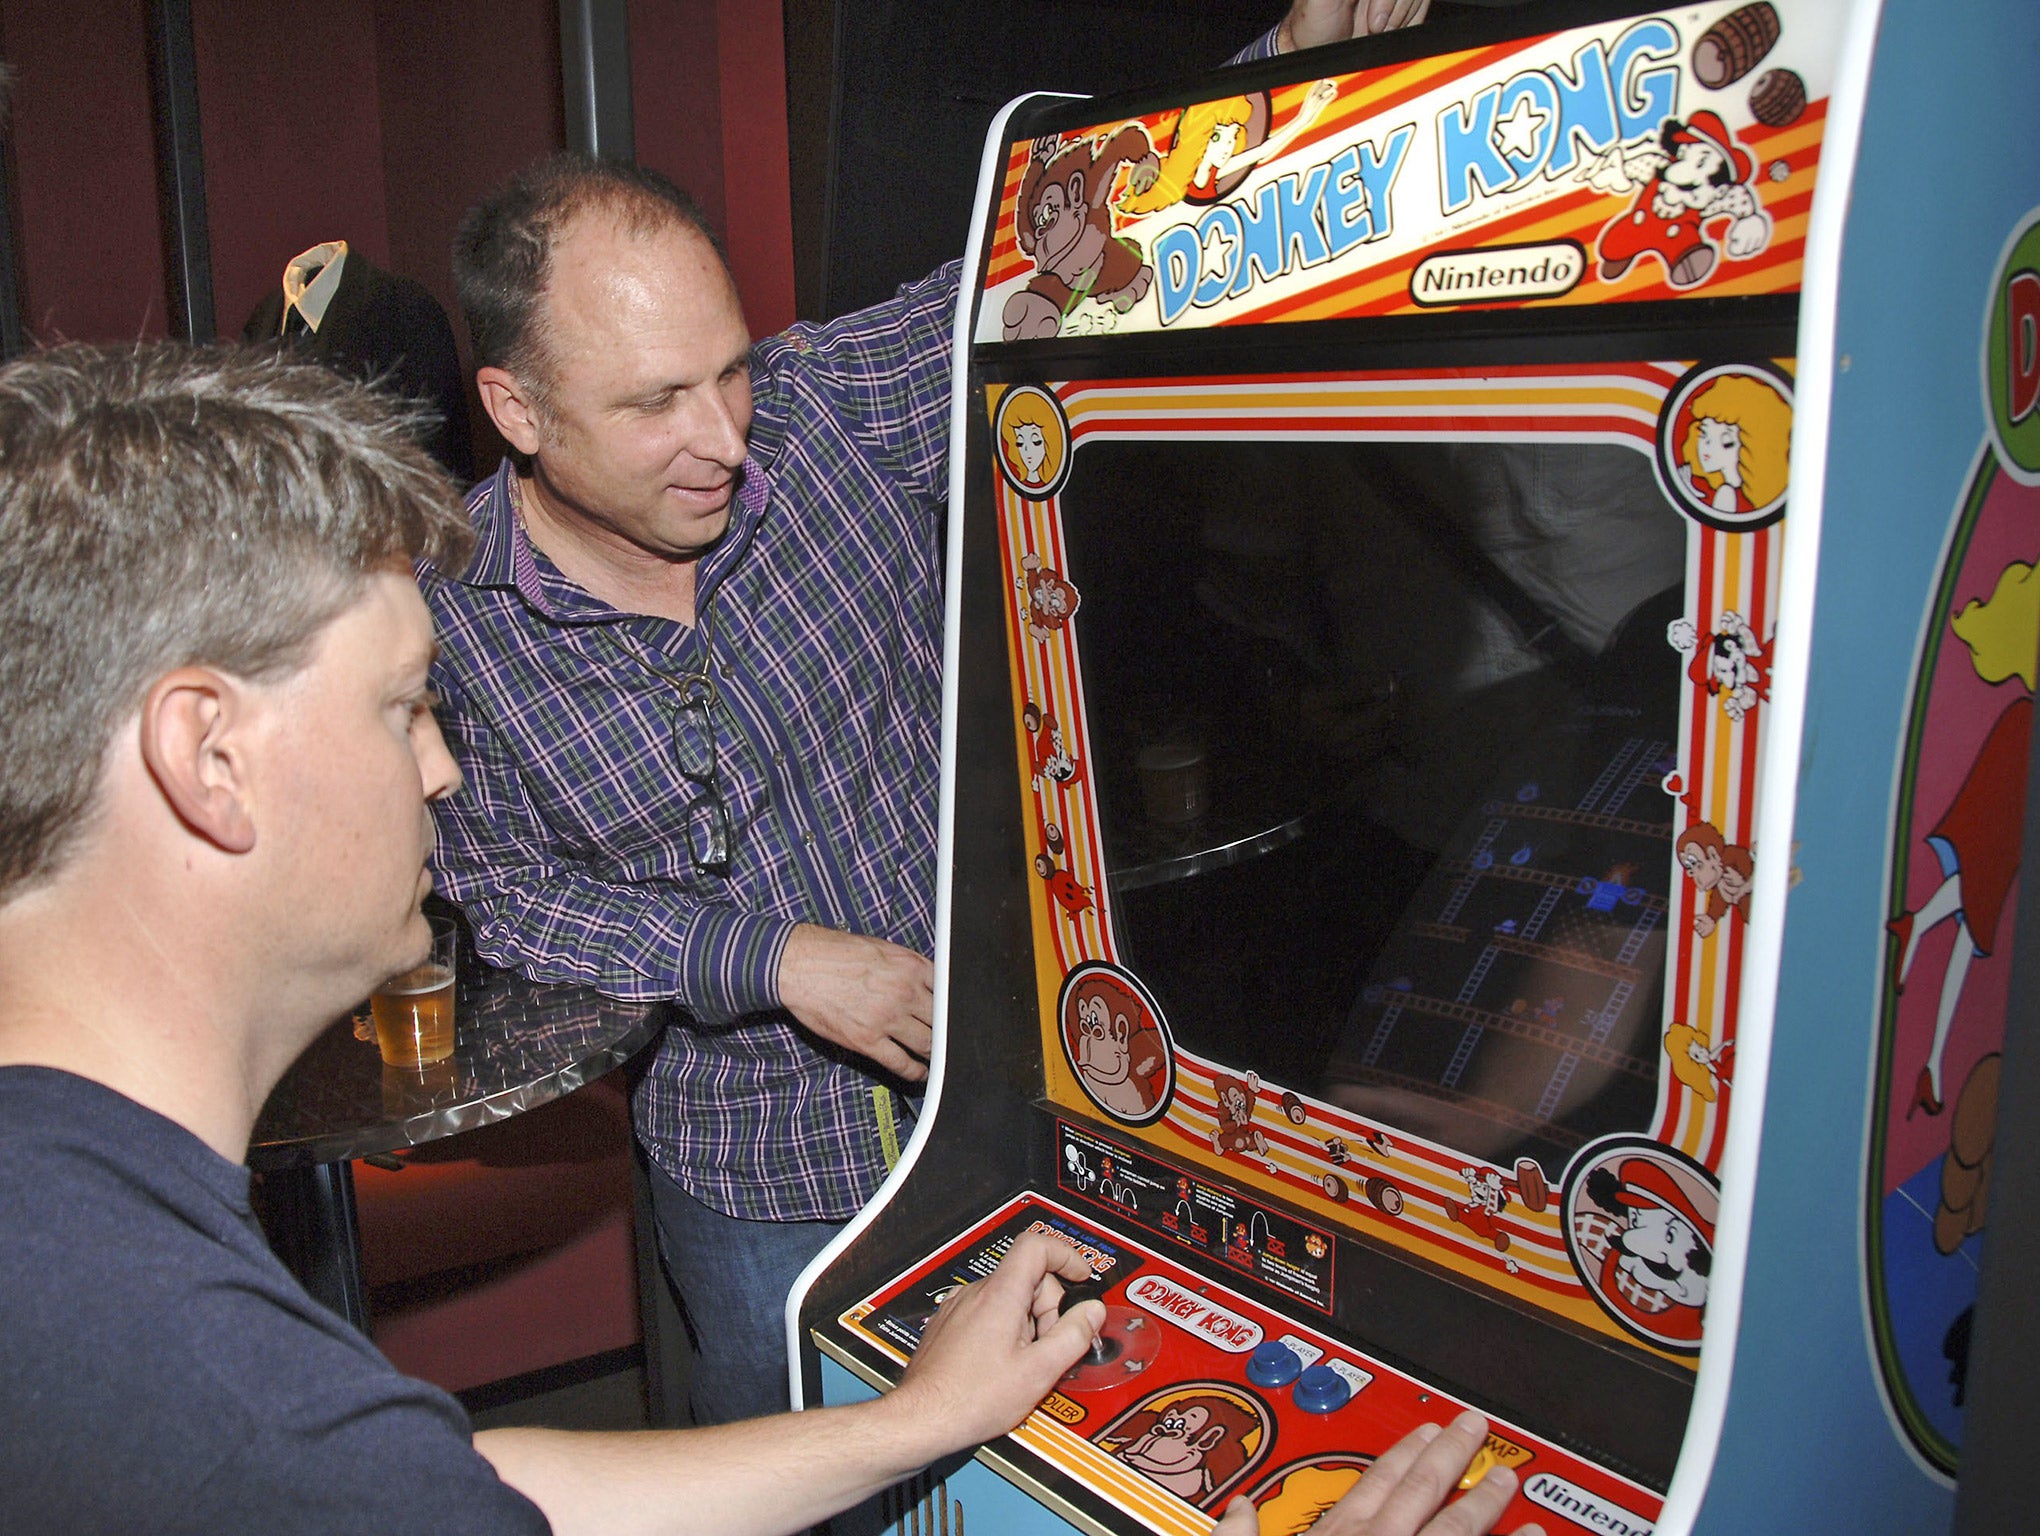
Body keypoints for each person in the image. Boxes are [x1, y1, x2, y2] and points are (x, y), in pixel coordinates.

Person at [0, 340, 1530, 1536]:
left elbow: (456, 1479)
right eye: (403, 706)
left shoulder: (98, 1253)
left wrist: (904, 1427)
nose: (440, 768)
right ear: (210, 758)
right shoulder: (202, 1403)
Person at [423, 0, 1433, 1426]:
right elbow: (506, 891)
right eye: (657, 403)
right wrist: (765, 960)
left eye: (731, 369)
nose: (723, 438)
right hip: (755, 1183)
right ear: (515, 410)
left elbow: (1064, 258)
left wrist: (1285, 65)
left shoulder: (827, 411)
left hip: (1007, 1126)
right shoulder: (451, 615)